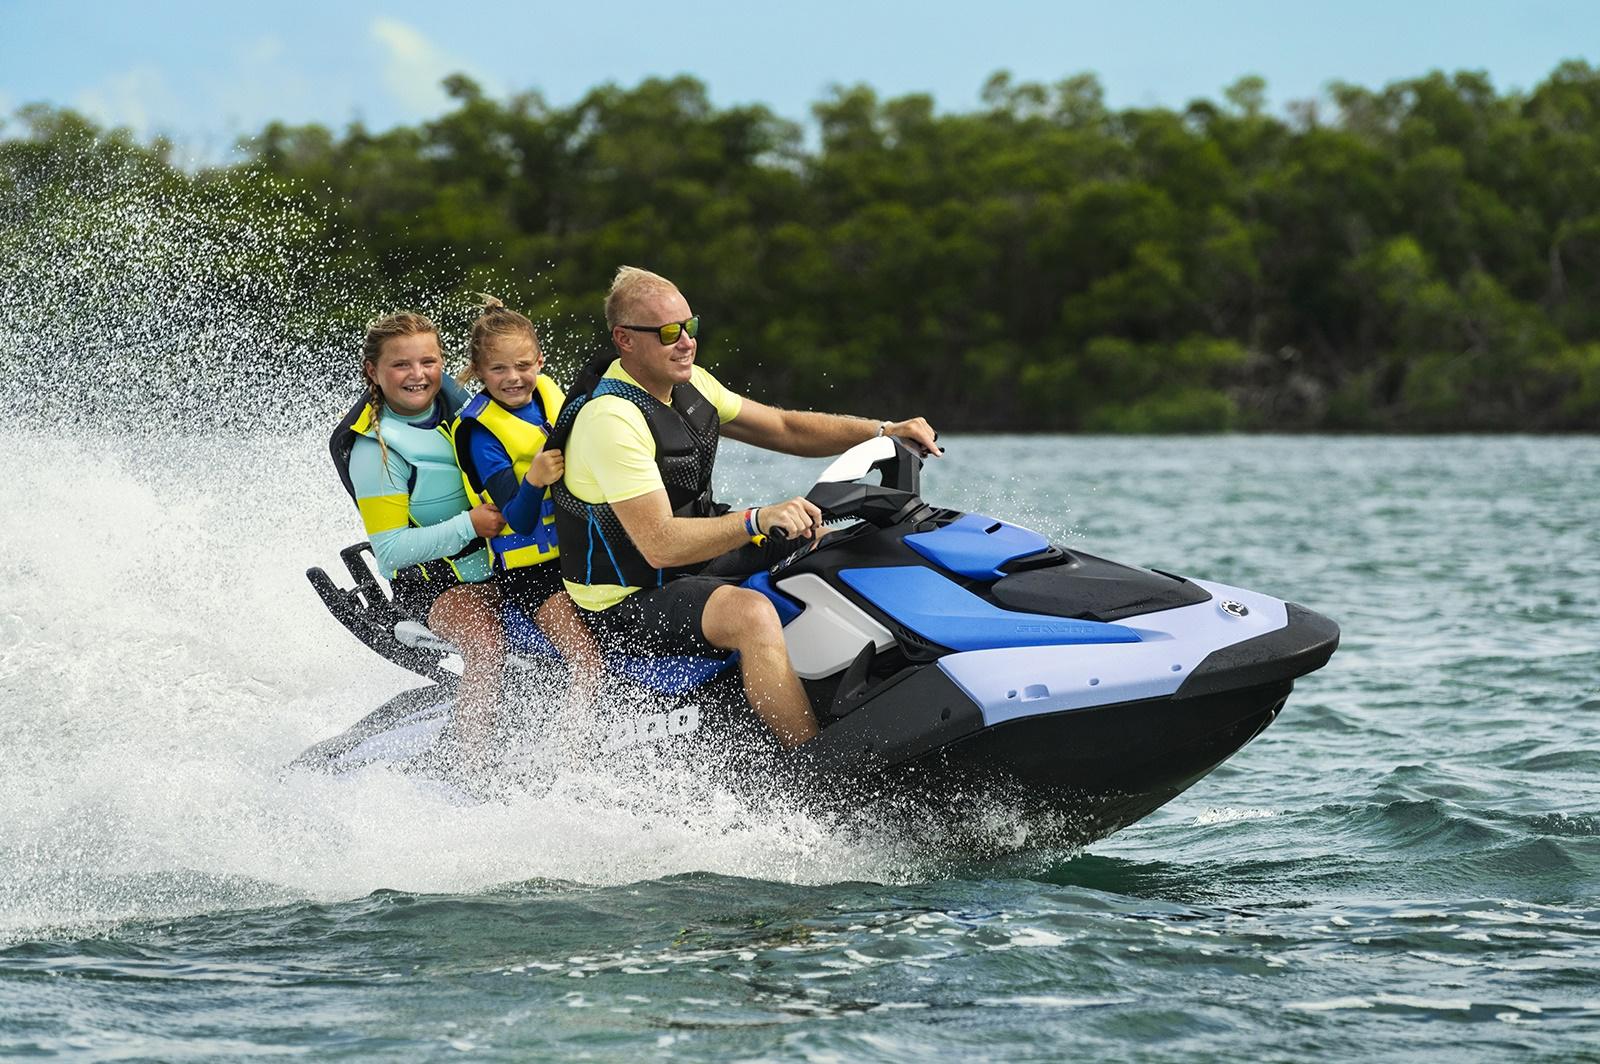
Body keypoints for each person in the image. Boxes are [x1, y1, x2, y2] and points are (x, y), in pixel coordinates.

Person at [549, 266, 942, 749]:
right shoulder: (610, 420)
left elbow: (784, 427)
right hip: (624, 595)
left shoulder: (692, 385)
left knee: (826, 540)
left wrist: (883, 431)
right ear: (624, 340)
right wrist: (758, 519)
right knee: (751, 614)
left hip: (694, 559)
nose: (686, 343)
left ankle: (879, 681)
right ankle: (811, 766)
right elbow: (659, 545)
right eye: (669, 333)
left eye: (690, 327)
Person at [329, 312, 507, 771]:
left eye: (428, 362)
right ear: (373, 372)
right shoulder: (376, 449)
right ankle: (470, 765)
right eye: (401, 365)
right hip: (435, 588)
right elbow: (390, 551)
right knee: (487, 642)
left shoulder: (468, 410)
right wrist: (469, 526)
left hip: (505, 565)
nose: (418, 375)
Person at [451, 295, 603, 702]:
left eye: (522, 366)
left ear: (539, 361)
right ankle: (574, 743)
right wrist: (535, 480)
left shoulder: (549, 396)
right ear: (479, 371)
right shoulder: (482, 434)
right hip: (531, 575)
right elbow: (517, 521)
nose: (513, 378)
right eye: (498, 369)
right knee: (588, 660)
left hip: (579, 549)